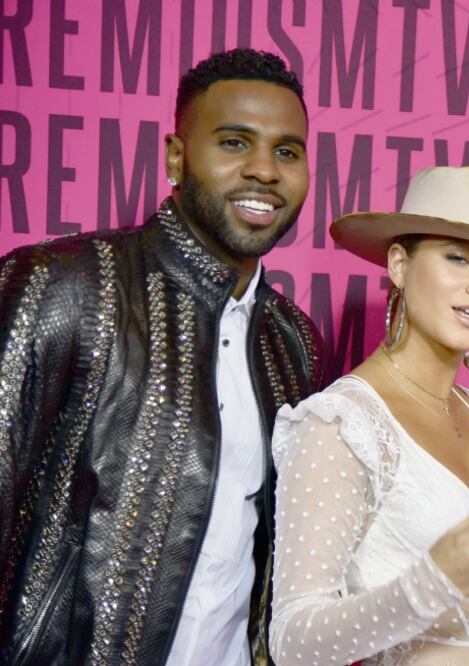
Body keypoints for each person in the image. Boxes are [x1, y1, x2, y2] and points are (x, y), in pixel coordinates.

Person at [0, 49, 326, 665]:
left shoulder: (291, 342)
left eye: (288, 151)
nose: (265, 170)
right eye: (234, 143)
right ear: (177, 157)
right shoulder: (63, 286)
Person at [269, 165, 469, 665]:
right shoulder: (340, 425)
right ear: (399, 264)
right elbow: (293, 642)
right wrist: (425, 589)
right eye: (458, 258)